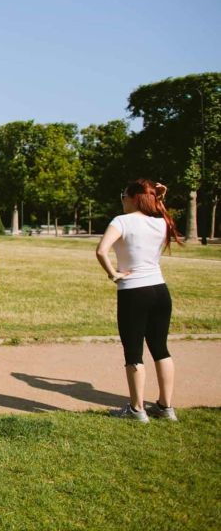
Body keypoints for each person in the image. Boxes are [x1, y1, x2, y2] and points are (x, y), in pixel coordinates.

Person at [96, 180, 182, 422]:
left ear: (134, 197)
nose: (122, 199)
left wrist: (113, 274)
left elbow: (101, 250)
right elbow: (156, 213)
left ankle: (136, 409)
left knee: (134, 352)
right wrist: (159, 198)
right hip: (159, 291)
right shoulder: (160, 222)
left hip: (133, 292)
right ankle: (166, 407)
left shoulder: (121, 221)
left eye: (123, 195)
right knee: (160, 349)